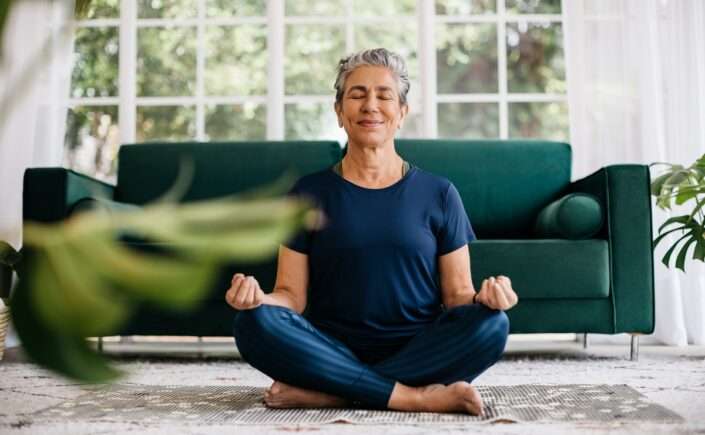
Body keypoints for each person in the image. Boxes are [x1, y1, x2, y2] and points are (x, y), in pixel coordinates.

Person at [226, 48, 518, 416]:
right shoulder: (308, 193)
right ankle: (412, 397)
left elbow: (458, 295)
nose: (371, 105)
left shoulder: (440, 193)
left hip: (418, 348)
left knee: (492, 325)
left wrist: (487, 299)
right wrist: (258, 301)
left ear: (402, 113)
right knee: (253, 323)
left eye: (384, 95)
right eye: (357, 94)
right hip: (328, 347)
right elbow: (291, 297)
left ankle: (336, 392)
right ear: (339, 112)